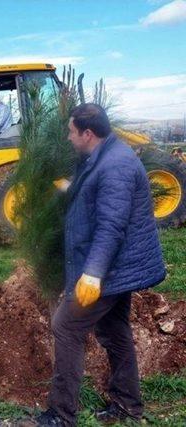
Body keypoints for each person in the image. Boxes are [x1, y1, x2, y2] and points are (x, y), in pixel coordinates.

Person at [29, 104, 166, 426]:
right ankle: (127, 404)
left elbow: (111, 226)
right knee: (114, 330)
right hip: (116, 268)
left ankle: (61, 415)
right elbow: (96, 193)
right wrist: (71, 189)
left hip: (110, 269)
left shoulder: (116, 165)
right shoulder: (104, 155)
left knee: (65, 327)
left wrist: (92, 274)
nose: (67, 136)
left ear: (87, 133)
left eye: (71, 131)